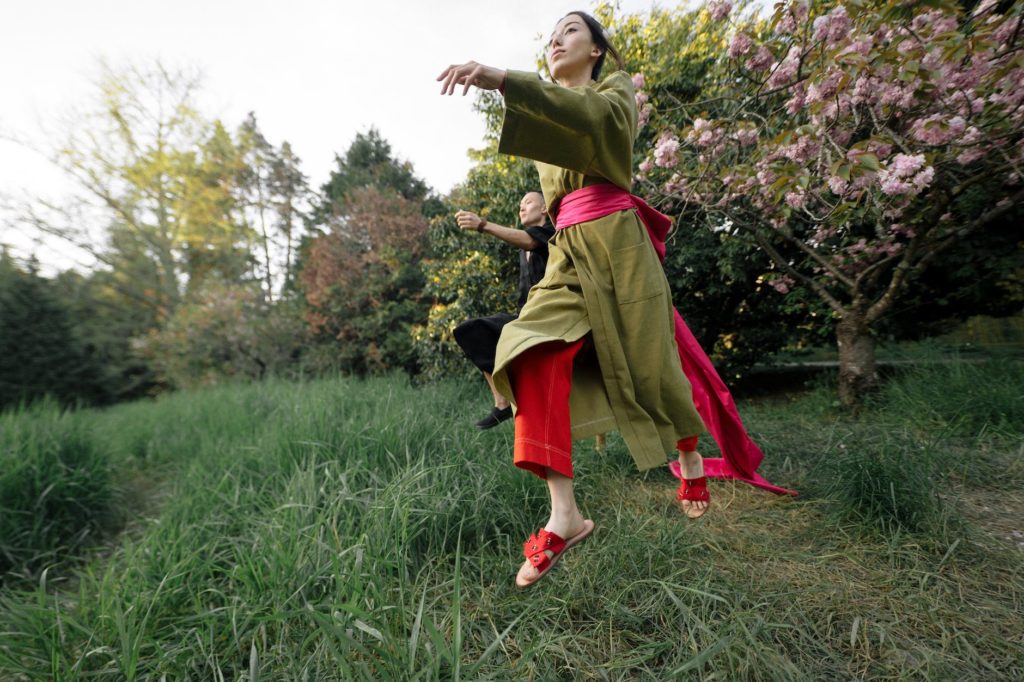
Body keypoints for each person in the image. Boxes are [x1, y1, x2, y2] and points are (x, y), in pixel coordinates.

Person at [439, 10, 710, 588]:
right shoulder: (551, 115)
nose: (556, 40)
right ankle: (566, 513)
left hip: (620, 244)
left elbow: (589, 118)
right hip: (567, 252)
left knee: (652, 362)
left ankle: (688, 454)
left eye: (569, 31)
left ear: (596, 50)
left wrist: (502, 78)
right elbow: (556, 188)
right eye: (550, 36)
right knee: (522, 347)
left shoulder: (615, 92)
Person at [452, 191, 555, 429]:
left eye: (528, 202)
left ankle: (523, 397)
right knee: (470, 331)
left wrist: (483, 225)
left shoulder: (552, 231)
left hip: (550, 315)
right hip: (526, 316)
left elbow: (530, 240)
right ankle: (503, 404)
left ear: (543, 209)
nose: (522, 208)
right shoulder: (522, 249)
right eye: (519, 204)